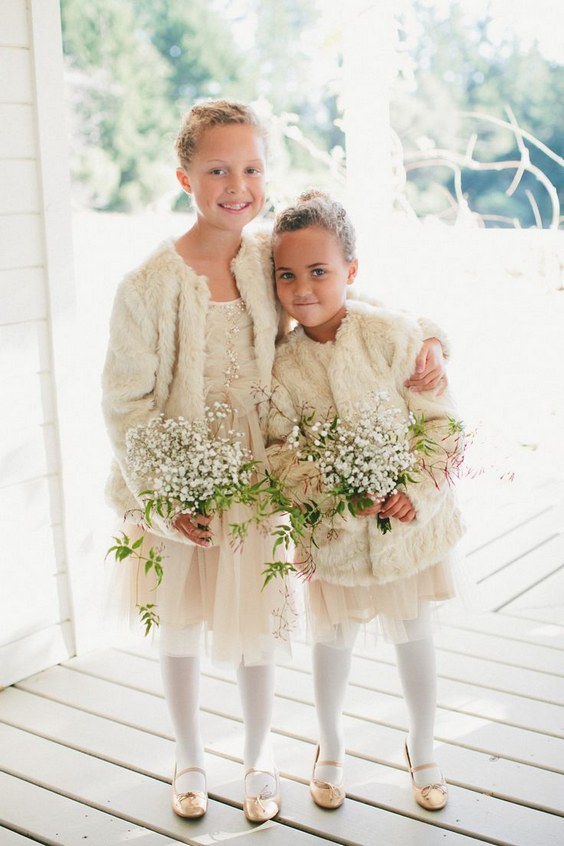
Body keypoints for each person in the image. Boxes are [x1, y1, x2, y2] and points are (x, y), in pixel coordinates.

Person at [101, 100, 448, 823]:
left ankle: (259, 757)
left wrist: (434, 339)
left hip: (258, 477)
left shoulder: (266, 258)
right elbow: (125, 404)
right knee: (183, 622)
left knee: (256, 623)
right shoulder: (147, 287)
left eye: (252, 168)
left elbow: (345, 299)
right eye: (218, 169)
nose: (238, 184)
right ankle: (189, 754)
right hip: (184, 484)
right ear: (184, 178)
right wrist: (164, 496)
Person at [267, 190, 465, 812]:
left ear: (351, 272)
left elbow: (443, 426)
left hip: (408, 529)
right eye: (287, 274)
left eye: (319, 271)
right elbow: (278, 453)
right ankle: (328, 747)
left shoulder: (391, 336)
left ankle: (424, 746)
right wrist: (334, 496)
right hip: (336, 535)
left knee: (414, 630)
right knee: (333, 638)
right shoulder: (282, 366)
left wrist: (416, 491)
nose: (303, 287)